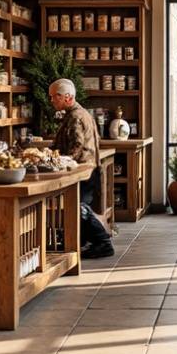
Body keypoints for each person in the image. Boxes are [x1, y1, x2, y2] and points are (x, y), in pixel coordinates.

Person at [48, 79, 114, 258]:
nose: (52, 100)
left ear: (68, 97)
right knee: (78, 206)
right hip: (88, 169)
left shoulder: (76, 116)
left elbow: (76, 146)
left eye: (55, 96)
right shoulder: (78, 113)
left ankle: (103, 243)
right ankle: (79, 240)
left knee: (79, 207)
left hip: (82, 171)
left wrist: (60, 163)